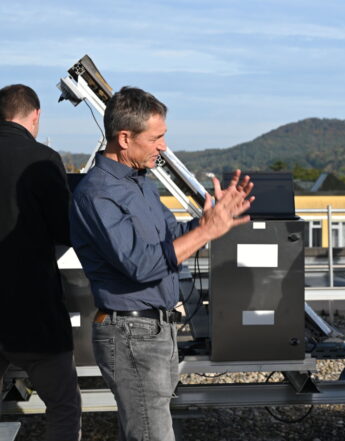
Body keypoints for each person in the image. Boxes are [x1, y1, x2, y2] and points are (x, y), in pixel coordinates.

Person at [69, 86, 254, 441]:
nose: (163, 146)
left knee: (142, 431)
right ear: (125, 138)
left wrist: (209, 221)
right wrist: (205, 232)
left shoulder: (140, 184)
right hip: (131, 334)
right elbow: (140, 264)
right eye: (156, 138)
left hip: (155, 331)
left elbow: (171, 235)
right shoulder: (98, 193)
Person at [0, 84, 82, 440]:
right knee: (64, 406)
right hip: (31, 311)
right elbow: (66, 231)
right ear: (35, 116)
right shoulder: (43, 159)